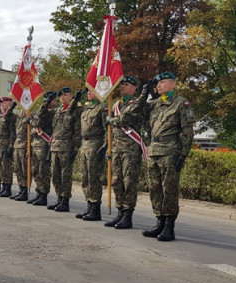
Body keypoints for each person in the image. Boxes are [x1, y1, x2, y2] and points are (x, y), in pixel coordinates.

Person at [140, 72, 195, 242]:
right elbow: (135, 112)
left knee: (168, 189)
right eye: (157, 84)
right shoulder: (154, 103)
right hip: (154, 151)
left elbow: (187, 132)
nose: (158, 86)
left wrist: (183, 155)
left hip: (170, 152)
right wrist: (143, 94)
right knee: (155, 189)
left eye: (162, 82)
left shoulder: (181, 103)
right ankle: (159, 222)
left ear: (172, 84)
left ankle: (169, 226)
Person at [104, 76, 144, 229]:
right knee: (116, 181)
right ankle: (119, 211)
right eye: (121, 84)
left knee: (129, 182)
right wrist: (108, 146)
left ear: (134, 88)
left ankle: (128, 215)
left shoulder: (135, 104)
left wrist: (111, 120)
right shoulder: (116, 105)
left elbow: (124, 120)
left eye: (126, 84)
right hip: (116, 148)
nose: (122, 87)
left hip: (130, 149)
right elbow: (112, 130)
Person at [48, 87, 83, 212]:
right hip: (55, 147)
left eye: (66, 95)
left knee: (65, 175)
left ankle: (65, 201)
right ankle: (59, 198)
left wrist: (76, 147)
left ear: (71, 96)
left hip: (67, 147)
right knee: (55, 175)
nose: (63, 97)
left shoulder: (74, 110)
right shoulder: (57, 111)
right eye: (61, 95)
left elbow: (77, 130)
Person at [78, 88, 108, 221]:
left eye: (92, 90)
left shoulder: (102, 108)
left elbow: (106, 129)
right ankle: (89, 205)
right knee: (85, 178)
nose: (89, 92)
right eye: (88, 90)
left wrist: (105, 146)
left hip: (96, 144)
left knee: (94, 177)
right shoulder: (86, 109)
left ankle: (96, 209)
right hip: (85, 145)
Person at [27, 92, 56, 205]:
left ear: (54, 101)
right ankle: (38, 192)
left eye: (49, 100)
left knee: (42, 170)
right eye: (46, 99)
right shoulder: (43, 111)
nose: (46, 101)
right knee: (35, 170)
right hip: (35, 144)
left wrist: (32, 121)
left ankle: (43, 195)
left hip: (44, 145)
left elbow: (38, 122)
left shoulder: (52, 111)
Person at [11, 110, 32, 201]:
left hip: (25, 145)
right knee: (17, 169)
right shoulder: (19, 117)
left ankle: (25, 191)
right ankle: (21, 189)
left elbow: (32, 132)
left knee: (25, 170)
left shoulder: (30, 116)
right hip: (17, 145)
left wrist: (29, 147)